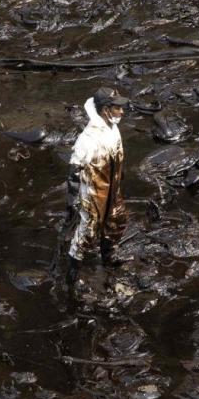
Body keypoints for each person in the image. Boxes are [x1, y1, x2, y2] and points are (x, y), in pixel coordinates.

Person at [65, 87, 129, 284]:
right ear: (105, 109)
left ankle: (108, 258)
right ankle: (72, 271)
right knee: (88, 230)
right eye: (118, 107)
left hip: (113, 187)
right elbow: (74, 171)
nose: (122, 111)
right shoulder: (88, 138)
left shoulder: (112, 127)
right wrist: (72, 201)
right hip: (95, 192)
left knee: (117, 219)